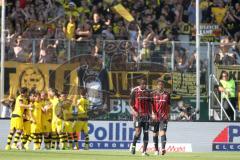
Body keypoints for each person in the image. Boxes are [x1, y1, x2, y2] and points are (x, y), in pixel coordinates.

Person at [130, 78, 151, 156]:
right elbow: (131, 105)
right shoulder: (135, 91)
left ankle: (144, 151)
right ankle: (133, 147)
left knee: (146, 133)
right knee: (138, 132)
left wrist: (151, 114)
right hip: (137, 116)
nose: (144, 85)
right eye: (143, 84)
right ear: (140, 84)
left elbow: (150, 104)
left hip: (146, 116)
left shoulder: (148, 92)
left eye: (145, 84)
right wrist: (134, 112)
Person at [151, 78, 170, 156]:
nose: (160, 86)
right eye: (159, 85)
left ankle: (163, 148)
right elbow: (151, 105)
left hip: (164, 117)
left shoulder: (167, 94)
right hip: (155, 117)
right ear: (157, 85)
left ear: (163, 86)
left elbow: (169, 105)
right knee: (155, 134)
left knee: (163, 132)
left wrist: (168, 114)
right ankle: (156, 150)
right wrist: (152, 113)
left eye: (162, 85)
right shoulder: (153, 94)